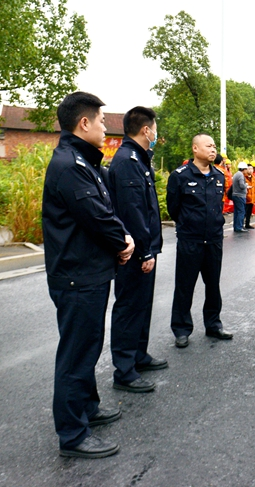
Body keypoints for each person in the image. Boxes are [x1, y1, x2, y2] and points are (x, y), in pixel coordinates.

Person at [42, 92, 134, 459]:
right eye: (100, 121)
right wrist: (122, 240)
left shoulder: (82, 161)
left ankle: (87, 407)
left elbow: (100, 210)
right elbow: (95, 215)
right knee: (76, 353)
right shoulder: (70, 165)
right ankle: (72, 435)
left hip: (88, 272)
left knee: (88, 346)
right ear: (83, 123)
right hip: (77, 276)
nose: (104, 127)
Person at [106, 106, 165, 394]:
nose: (156, 133)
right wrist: (145, 252)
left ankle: (139, 355)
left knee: (142, 305)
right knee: (129, 308)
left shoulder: (139, 159)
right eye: (155, 128)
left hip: (144, 249)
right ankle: (125, 370)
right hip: (135, 253)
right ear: (146, 130)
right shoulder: (128, 161)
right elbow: (133, 214)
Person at [166, 134, 233, 348]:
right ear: (195, 148)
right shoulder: (180, 176)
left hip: (213, 239)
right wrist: (189, 224)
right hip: (190, 240)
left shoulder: (219, 176)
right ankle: (182, 329)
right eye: (208, 146)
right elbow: (173, 208)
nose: (213, 149)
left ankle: (213, 324)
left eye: (214, 146)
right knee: (184, 286)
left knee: (213, 285)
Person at [231, 161, 249, 233]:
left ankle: (236, 226)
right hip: (240, 195)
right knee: (241, 211)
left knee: (236, 211)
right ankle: (239, 227)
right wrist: (246, 185)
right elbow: (242, 186)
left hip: (235, 195)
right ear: (243, 169)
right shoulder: (241, 175)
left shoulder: (235, 174)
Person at [244, 163, 255, 230]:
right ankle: (241, 224)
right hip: (246, 198)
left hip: (252, 198)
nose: (251, 170)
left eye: (251, 169)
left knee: (249, 213)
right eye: (249, 169)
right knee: (244, 213)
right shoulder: (244, 177)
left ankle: (247, 224)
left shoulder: (253, 178)